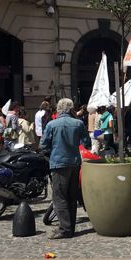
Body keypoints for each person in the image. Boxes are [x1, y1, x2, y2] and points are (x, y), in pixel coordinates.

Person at [40, 98, 91, 239]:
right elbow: (87, 142)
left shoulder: (52, 124)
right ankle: (70, 227)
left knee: (59, 197)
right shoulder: (78, 123)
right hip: (74, 163)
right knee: (71, 196)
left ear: (59, 109)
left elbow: (43, 145)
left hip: (58, 163)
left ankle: (65, 229)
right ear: (71, 109)